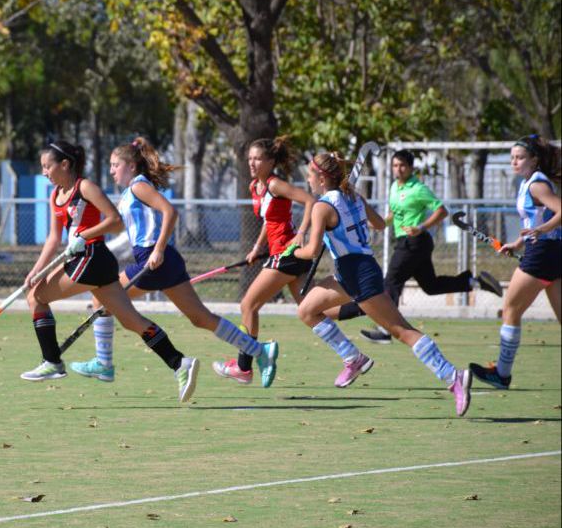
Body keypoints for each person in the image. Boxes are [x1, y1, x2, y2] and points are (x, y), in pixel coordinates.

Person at [69, 137, 278, 386]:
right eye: (111, 166)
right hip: (164, 260)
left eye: (116, 165)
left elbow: (171, 212)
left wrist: (157, 250)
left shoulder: (138, 186)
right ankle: (259, 351)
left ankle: (104, 364)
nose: (112, 170)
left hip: (153, 259)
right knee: (201, 318)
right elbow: (131, 233)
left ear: (132, 167)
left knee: (100, 297)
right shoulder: (129, 193)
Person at [292, 151, 471, 417]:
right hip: (350, 270)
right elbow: (378, 224)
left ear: (320, 177)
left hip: (358, 274)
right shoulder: (353, 195)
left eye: (309, 174)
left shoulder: (322, 207)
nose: (306, 179)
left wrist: (292, 250)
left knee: (402, 331)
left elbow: (312, 250)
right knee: (307, 311)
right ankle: (354, 358)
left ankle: (452, 376)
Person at [21, 141, 200, 403]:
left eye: (48, 167)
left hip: (92, 258)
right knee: (131, 321)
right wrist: (36, 271)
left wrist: (85, 234)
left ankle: (52, 361)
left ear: (64, 164)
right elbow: (52, 239)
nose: (45, 172)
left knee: (36, 298)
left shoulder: (85, 187)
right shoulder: (55, 196)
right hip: (89, 262)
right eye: (42, 168)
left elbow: (114, 221)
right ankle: (179, 363)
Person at [327, 149, 503, 344]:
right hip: (407, 243)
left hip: (415, 242)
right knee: (430, 286)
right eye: (395, 165)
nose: (398, 169)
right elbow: (394, 214)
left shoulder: (418, 188)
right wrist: (375, 222)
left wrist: (421, 227)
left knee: (391, 282)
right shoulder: (394, 187)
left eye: (402, 165)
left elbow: (441, 211)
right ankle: (474, 282)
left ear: (411, 167)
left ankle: (386, 330)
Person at [211, 136, 316, 384]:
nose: (252, 163)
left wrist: (301, 234)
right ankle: (352, 353)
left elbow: (310, 201)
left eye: (258, 158)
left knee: (248, 305)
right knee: (312, 309)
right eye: (250, 158)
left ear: (270, 161)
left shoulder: (275, 184)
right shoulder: (254, 187)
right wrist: (257, 247)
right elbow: (269, 222)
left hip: (287, 255)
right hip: (278, 254)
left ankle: (244, 366)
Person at [470, 134, 561, 389]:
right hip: (547, 250)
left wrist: (541, 231)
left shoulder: (536, 184)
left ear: (534, 159)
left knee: (511, 309)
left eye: (520, 157)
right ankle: (502, 373)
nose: (514, 162)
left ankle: (502, 374)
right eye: (511, 158)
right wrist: (518, 243)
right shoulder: (527, 183)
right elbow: (533, 221)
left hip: (543, 252)